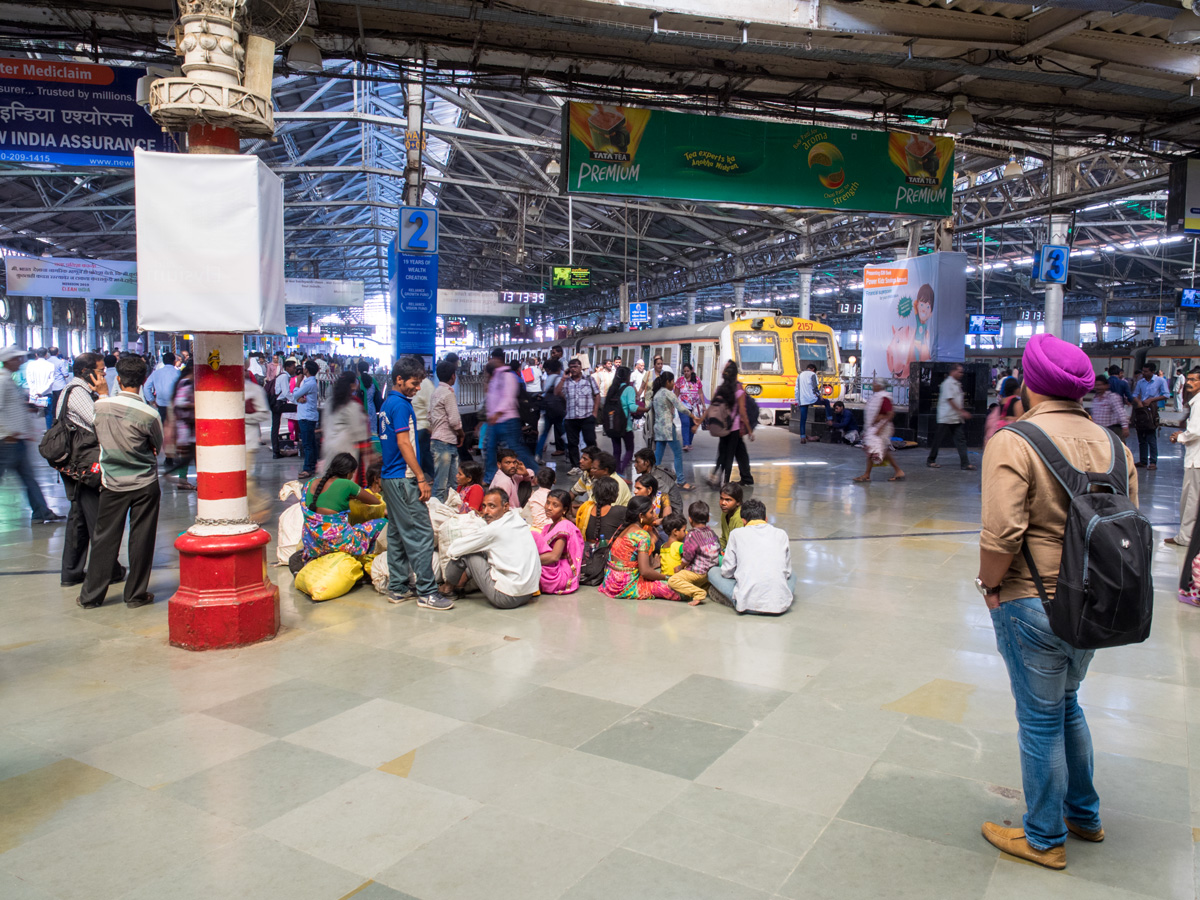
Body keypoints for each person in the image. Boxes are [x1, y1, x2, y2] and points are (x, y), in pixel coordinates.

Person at [977, 332, 1136, 868]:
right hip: (1093, 605)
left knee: (1040, 719)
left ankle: (1043, 837)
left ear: (1029, 382)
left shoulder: (1014, 440)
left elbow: (1001, 534)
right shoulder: (1116, 445)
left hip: (1033, 602)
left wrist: (990, 585)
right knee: (1068, 705)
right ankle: (1083, 815)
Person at [77, 354, 163, 610]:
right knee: (142, 538)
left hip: (112, 482)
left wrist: (103, 394)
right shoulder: (150, 414)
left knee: (105, 538)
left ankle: (91, 596)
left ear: (118, 377)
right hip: (144, 483)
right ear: (144, 379)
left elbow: (98, 431)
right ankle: (135, 595)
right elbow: (158, 447)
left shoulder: (100, 407)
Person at [379, 356, 442, 609]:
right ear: (399, 380)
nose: (417, 388)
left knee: (396, 533)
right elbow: (404, 443)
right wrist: (420, 477)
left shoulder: (387, 404)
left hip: (389, 478)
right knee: (421, 533)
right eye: (414, 383)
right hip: (404, 479)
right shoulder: (402, 406)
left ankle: (398, 588)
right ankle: (427, 592)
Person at [58, 353, 126, 586]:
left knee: (78, 520)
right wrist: (104, 394)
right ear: (86, 372)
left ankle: (72, 572)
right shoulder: (77, 392)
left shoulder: (79, 391)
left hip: (78, 465)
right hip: (85, 466)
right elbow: (100, 421)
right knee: (99, 519)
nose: (104, 375)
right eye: (100, 372)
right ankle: (110, 571)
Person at [440, 487, 541, 609]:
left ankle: (447, 588)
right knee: (483, 551)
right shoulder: (518, 520)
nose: (486, 511)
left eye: (492, 506)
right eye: (484, 506)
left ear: (505, 507)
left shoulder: (493, 530)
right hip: (528, 593)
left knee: (467, 553)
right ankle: (460, 586)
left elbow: (454, 549)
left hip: (506, 598)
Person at [0, 347, 60, 525]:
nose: (20, 362)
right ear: (8, 361)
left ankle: (42, 511)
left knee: (28, 477)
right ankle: (42, 511)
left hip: (16, 440)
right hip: (7, 441)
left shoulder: (9, 380)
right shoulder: (2, 381)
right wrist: (6, 432)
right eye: (17, 359)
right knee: (26, 477)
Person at [706, 498, 794, 615]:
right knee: (794, 576)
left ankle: (732, 598)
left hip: (745, 603)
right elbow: (787, 572)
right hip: (779, 605)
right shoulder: (781, 534)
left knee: (712, 571)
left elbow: (727, 572)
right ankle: (777, 595)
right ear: (766, 519)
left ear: (743, 521)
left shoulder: (736, 534)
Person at [599, 495, 680, 601]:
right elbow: (645, 572)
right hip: (625, 585)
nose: (654, 515)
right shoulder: (642, 535)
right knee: (677, 589)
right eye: (651, 512)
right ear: (641, 515)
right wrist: (667, 577)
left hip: (610, 582)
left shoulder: (623, 528)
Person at [483, 350, 538, 484]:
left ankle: (535, 472)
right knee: (489, 448)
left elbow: (508, 397)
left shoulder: (508, 376)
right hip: (495, 421)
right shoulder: (495, 376)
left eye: (492, 358)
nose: (490, 361)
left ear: (498, 359)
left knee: (516, 448)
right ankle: (490, 477)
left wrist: (497, 413)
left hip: (507, 420)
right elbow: (490, 396)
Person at [1167, 368, 1200, 548]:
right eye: (1189, 379)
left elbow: (1195, 431)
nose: (1189, 383)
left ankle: (1185, 537)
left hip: (1197, 461)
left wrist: (1179, 437)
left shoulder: (1199, 402)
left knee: (1190, 501)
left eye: (1194, 380)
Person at [666, 500, 721, 606]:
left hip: (697, 572)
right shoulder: (712, 533)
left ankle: (698, 593)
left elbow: (688, 556)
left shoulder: (692, 535)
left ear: (690, 519)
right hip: (710, 572)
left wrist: (680, 567)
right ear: (708, 518)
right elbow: (718, 548)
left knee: (673, 581)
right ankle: (707, 588)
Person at [650, 372, 698, 491]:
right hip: (667, 428)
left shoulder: (656, 394)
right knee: (677, 453)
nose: (674, 384)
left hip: (658, 428)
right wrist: (693, 416)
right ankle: (681, 480)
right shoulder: (667, 393)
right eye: (672, 382)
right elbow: (680, 407)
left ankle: (652, 478)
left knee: (658, 455)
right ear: (668, 382)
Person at [709, 361, 753, 488]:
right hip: (734, 428)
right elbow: (743, 414)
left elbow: (713, 406)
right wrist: (749, 430)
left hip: (723, 427)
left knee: (723, 452)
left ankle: (717, 477)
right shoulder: (738, 391)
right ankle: (726, 481)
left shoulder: (720, 389)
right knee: (730, 454)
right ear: (736, 375)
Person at [855, 379, 906, 483]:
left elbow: (890, 414)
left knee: (876, 449)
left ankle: (897, 471)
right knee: (875, 450)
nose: (873, 385)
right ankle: (868, 474)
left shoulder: (884, 397)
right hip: (875, 427)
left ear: (879, 386)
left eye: (875, 383)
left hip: (881, 428)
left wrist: (880, 427)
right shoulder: (877, 396)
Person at [535, 488, 584, 595]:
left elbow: (554, 557)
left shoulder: (564, 526)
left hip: (560, 573)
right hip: (550, 565)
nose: (548, 507)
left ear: (564, 510)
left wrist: (529, 561)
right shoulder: (548, 527)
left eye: (555, 505)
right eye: (548, 503)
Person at [320, 372, 369, 477]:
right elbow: (359, 433)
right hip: (345, 449)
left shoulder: (329, 402)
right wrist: (369, 452)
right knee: (345, 482)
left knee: (329, 479)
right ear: (352, 385)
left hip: (328, 447)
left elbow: (324, 426)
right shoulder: (352, 405)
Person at [927, 364, 975, 470]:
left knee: (960, 440)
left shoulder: (957, 384)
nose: (961, 374)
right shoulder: (947, 383)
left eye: (962, 372)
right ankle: (931, 460)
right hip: (946, 416)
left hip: (955, 418)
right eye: (959, 371)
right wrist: (962, 411)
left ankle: (965, 463)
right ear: (952, 372)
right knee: (938, 440)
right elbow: (950, 400)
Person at [559, 356, 601, 476]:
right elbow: (557, 392)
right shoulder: (566, 382)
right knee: (572, 443)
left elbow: (597, 395)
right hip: (571, 417)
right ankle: (575, 466)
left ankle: (595, 463)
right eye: (571, 367)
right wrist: (563, 378)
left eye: (575, 367)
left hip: (587, 416)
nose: (573, 369)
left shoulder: (589, 380)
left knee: (590, 441)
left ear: (581, 368)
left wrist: (595, 413)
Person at [429, 358, 464, 503]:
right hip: (445, 442)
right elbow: (454, 421)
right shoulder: (448, 393)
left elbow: (429, 416)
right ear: (453, 376)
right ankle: (436, 513)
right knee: (444, 485)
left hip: (438, 440)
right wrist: (461, 434)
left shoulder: (436, 392)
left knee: (447, 482)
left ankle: (445, 510)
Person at [305, 452, 382, 514]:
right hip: (335, 532)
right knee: (381, 523)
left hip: (310, 531)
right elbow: (375, 501)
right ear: (349, 473)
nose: (352, 477)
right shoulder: (346, 484)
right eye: (353, 473)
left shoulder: (311, 482)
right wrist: (354, 496)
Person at [1131, 362, 1169, 469]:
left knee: (1151, 436)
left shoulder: (1160, 381)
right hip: (1141, 409)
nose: (1143, 373)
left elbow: (1166, 394)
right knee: (1141, 436)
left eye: (1146, 371)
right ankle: (1143, 461)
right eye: (1143, 371)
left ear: (1153, 372)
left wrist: (1151, 400)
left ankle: (1153, 462)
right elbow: (1135, 394)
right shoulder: (1141, 382)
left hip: (1152, 409)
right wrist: (1137, 401)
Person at [603, 365, 638, 476]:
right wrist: (645, 408)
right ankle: (621, 470)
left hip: (613, 424)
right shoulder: (629, 389)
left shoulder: (612, 388)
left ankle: (617, 472)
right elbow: (632, 408)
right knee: (629, 449)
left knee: (616, 451)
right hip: (625, 425)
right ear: (627, 377)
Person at [167, 364, 196, 491]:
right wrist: (196, 403)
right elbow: (180, 402)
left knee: (187, 455)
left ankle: (183, 480)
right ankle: (183, 481)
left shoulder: (182, 382)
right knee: (191, 455)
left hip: (184, 426)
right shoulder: (187, 383)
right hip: (186, 427)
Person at [633, 447, 681, 524]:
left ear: (647, 462)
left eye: (637, 462)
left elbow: (660, 501)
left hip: (673, 516)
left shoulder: (657, 480)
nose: (635, 465)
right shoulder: (652, 472)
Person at [293, 359, 321, 479]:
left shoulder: (309, 383)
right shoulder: (311, 382)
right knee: (311, 443)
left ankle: (307, 468)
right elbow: (297, 397)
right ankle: (313, 465)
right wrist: (299, 398)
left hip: (306, 417)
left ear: (307, 370)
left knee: (307, 444)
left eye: (304, 368)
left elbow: (294, 394)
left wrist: (297, 383)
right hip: (308, 416)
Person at [535, 357, 566, 464]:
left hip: (548, 410)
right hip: (558, 410)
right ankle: (569, 454)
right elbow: (560, 392)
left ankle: (538, 455)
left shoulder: (547, 378)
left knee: (544, 434)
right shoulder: (558, 378)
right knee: (564, 433)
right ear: (559, 368)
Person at [795, 363, 831, 444]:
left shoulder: (799, 375)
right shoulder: (813, 374)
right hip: (811, 399)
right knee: (826, 402)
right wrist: (819, 396)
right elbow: (815, 387)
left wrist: (797, 400)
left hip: (802, 400)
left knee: (803, 419)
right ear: (813, 369)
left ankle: (802, 437)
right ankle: (829, 419)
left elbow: (796, 389)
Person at [584, 475, 626, 543]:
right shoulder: (620, 511)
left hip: (588, 550)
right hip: (609, 552)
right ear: (614, 494)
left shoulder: (586, 509)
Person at [985, 376, 1026, 446]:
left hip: (998, 439)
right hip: (1011, 440)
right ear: (1016, 389)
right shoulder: (1018, 403)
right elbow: (1021, 421)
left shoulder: (1001, 402)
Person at [675, 363, 707, 451]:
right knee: (685, 423)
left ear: (691, 371)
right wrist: (673, 405)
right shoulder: (680, 381)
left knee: (693, 424)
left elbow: (700, 393)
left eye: (688, 371)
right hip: (683, 406)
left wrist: (704, 406)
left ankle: (689, 442)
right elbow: (676, 393)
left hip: (694, 407)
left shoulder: (696, 380)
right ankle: (685, 444)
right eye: (684, 371)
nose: (686, 373)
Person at [271, 358, 298, 458]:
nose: (294, 370)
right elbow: (286, 392)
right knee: (299, 409)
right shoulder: (284, 377)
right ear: (287, 367)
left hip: (275, 403)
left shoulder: (281, 376)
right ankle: (298, 437)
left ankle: (276, 452)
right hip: (279, 404)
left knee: (275, 427)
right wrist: (296, 402)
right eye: (293, 368)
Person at [142, 351, 180, 422]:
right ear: (174, 361)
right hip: (175, 404)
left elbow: (146, 387)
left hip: (161, 403)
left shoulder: (156, 373)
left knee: (163, 425)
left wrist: (151, 400)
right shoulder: (178, 373)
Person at [1088, 374, 1128, 440]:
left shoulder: (1112, 397)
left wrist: (1125, 427)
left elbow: (1121, 412)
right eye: (1096, 385)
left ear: (1107, 386)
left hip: (1112, 430)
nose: (1098, 387)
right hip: (1099, 431)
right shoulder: (1095, 399)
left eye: (1100, 385)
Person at [24, 348, 55, 428]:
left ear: (36, 355)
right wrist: (41, 391)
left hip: (34, 394)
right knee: (48, 414)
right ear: (46, 355)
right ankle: (49, 432)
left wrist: (34, 391)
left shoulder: (30, 365)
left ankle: (33, 430)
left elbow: (29, 379)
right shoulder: (50, 365)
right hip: (47, 393)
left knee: (33, 413)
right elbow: (51, 381)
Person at [412, 366, 435, 476]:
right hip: (421, 426)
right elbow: (431, 405)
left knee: (422, 455)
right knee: (423, 455)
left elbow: (430, 406)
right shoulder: (426, 383)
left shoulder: (421, 383)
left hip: (420, 426)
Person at [522, 466, 555, 531]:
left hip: (532, 527)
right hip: (546, 528)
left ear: (536, 480)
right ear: (554, 481)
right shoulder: (553, 498)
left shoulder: (534, 495)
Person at [717, 482, 744, 550]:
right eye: (721, 498)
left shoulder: (739, 519)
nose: (723, 503)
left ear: (738, 502)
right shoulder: (725, 513)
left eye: (728, 500)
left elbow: (740, 546)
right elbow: (724, 538)